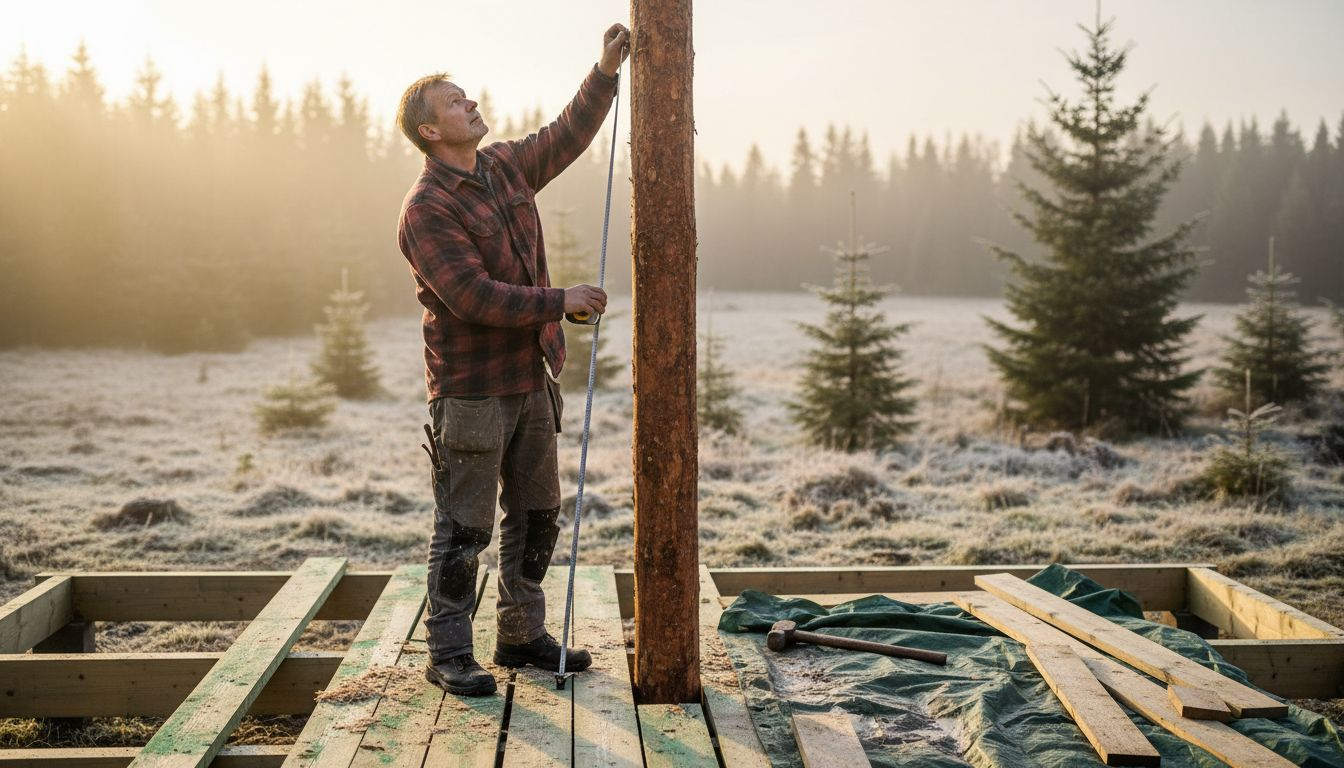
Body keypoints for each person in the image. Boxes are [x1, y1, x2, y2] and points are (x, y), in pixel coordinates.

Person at [395, 23, 629, 696]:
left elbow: (565, 135)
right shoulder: (425, 209)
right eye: (455, 103)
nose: (470, 105)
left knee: (535, 516)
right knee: (463, 528)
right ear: (431, 132)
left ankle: (521, 635)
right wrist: (558, 301)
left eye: (468, 97)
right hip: (470, 392)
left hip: (531, 380)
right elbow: (470, 296)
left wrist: (605, 70)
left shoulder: (502, 165)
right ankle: (448, 655)